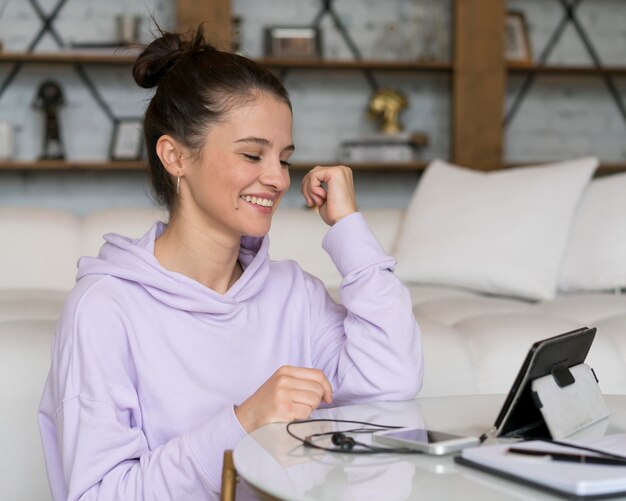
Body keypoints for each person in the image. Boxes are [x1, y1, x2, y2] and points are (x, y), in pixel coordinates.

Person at [38, 26, 423, 500]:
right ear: (175, 156)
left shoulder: (294, 293)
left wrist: (348, 226)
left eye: (283, 159)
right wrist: (244, 422)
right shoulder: (104, 309)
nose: (277, 179)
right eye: (251, 154)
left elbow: (392, 382)